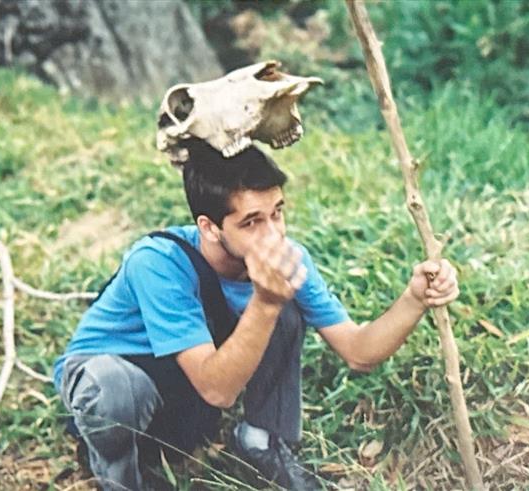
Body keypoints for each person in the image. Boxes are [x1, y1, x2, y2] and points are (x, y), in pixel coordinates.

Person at [52, 139, 460, 490]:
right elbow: (217, 390)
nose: (274, 234)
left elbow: (358, 351)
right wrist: (264, 301)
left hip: (190, 382)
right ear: (210, 227)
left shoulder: (289, 256)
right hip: (121, 383)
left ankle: (260, 441)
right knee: (112, 387)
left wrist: (414, 299)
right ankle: (119, 473)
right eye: (251, 222)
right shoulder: (158, 262)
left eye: (277, 213)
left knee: (285, 313)